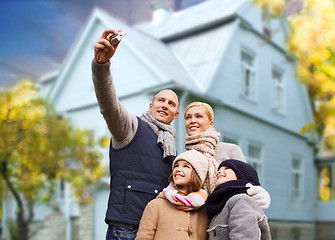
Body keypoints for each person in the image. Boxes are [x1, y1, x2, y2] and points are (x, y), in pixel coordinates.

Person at [92, 29, 180, 239]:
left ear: (176, 114)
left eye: (171, 103)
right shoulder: (130, 128)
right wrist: (101, 66)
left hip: (158, 231)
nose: (165, 105)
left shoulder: (172, 148)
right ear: (151, 105)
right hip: (126, 229)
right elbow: (109, 105)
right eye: (161, 100)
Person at [183, 102, 271, 211]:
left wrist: (260, 195)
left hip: (225, 214)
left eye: (199, 116)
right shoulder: (184, 158)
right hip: (195, 218)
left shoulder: (230, 150)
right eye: (188, 117)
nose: (192, 121)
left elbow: (248, 183)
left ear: (211, 124)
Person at [136, 150, 210, 240]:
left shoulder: (206, 209)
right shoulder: (155, 206)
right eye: (176, 166)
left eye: (186, 166)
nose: (178, 169)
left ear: (198, 174)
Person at [205, 159, 272, 240]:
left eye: (226, 169)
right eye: (218, 170)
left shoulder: (242, 200)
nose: (219, 172)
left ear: (241, 175)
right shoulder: (221, 206)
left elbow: (244, 237)